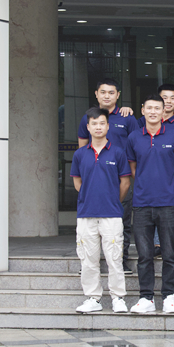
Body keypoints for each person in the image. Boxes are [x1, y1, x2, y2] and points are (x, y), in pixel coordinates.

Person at [126, 95, 174, 314]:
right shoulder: (134, 137)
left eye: (157, 108)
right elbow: (133, 167)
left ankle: (169, 296)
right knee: (144, 255)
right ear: (142, 110)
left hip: (168, 203)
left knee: (169, 253)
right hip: (142, 203)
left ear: (163, 111)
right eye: (149, 108)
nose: (153, 112)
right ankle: (146, 298)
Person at [70, 107, 131, 314]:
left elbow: (125, 182)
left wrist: (113, 200)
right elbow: (77, 182)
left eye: (102, 123)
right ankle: (92, 298)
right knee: (88, 259)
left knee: (114, 258)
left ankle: (118, 297)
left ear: (108, 126)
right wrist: (89, 197)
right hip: (86, 214)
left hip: (111, 214)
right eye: (94, 123)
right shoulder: (80, 154)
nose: (98, 127)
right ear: (88, 127)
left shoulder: (118, 152)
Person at [77, 78, 138, 274]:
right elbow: (82, 150)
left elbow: (136, 146)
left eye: (111, 92)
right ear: (96, 94)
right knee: (89, 227)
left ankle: (121, 260)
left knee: (122, 223)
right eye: (103, 92)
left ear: (118, 95)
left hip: (120, 179)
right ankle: (88, 264)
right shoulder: (88, 118)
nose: (107, 96)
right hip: (93, 180)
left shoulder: (127, 118)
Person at [138, 83, 174, 252]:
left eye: (172, 98)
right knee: (150, 211)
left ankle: (165, 246)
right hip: (148, 176)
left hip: (173, 177)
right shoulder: (142, 122)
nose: (168, 101)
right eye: (164, 97)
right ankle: (154, 244)